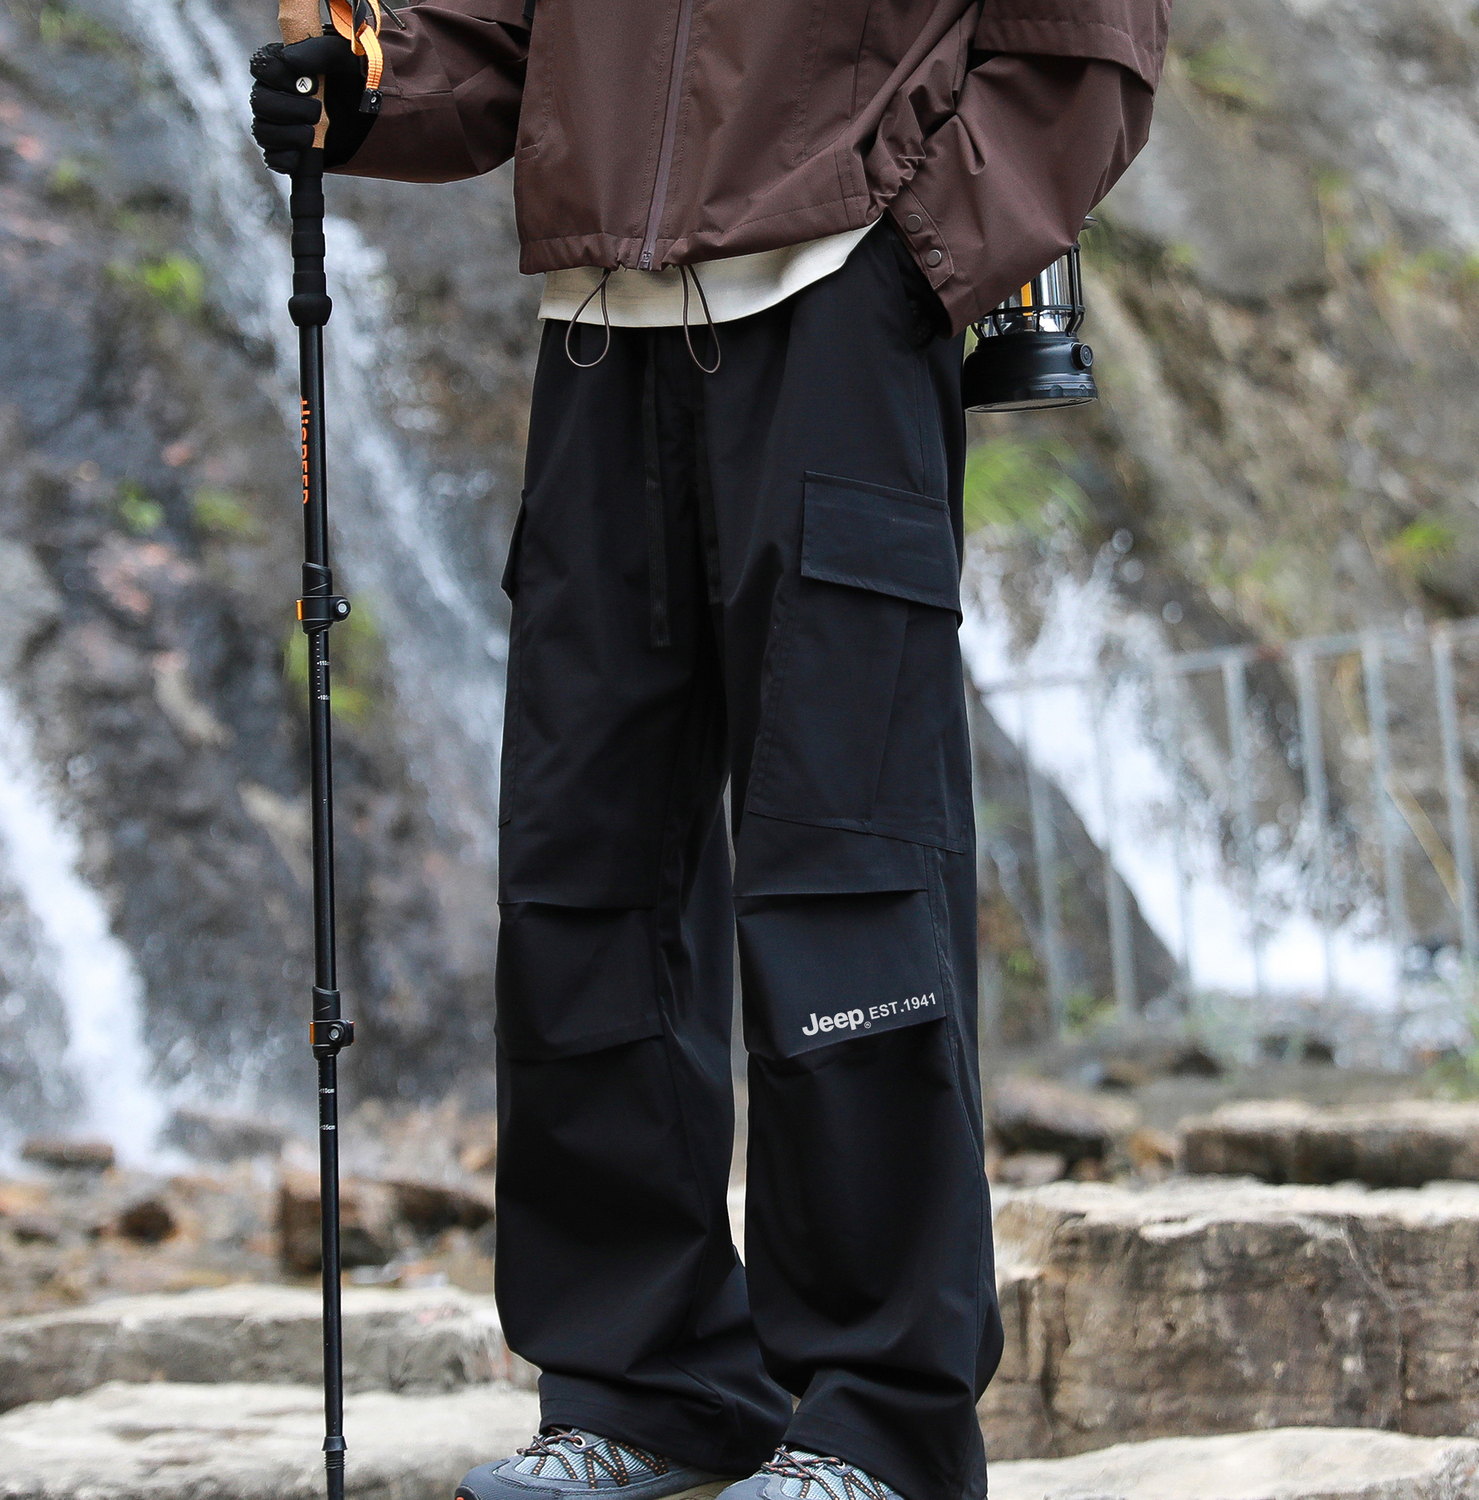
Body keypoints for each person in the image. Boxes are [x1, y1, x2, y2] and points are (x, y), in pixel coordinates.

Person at [249, 5, 1166, 1498]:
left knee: (846, 866)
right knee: (583, 867)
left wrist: (912, 259)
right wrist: (365, 93)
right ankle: (644, 1384)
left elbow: (1085, 42)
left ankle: (878, 1421)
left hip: (836, 314)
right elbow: (502, 36)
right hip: (599, 330)